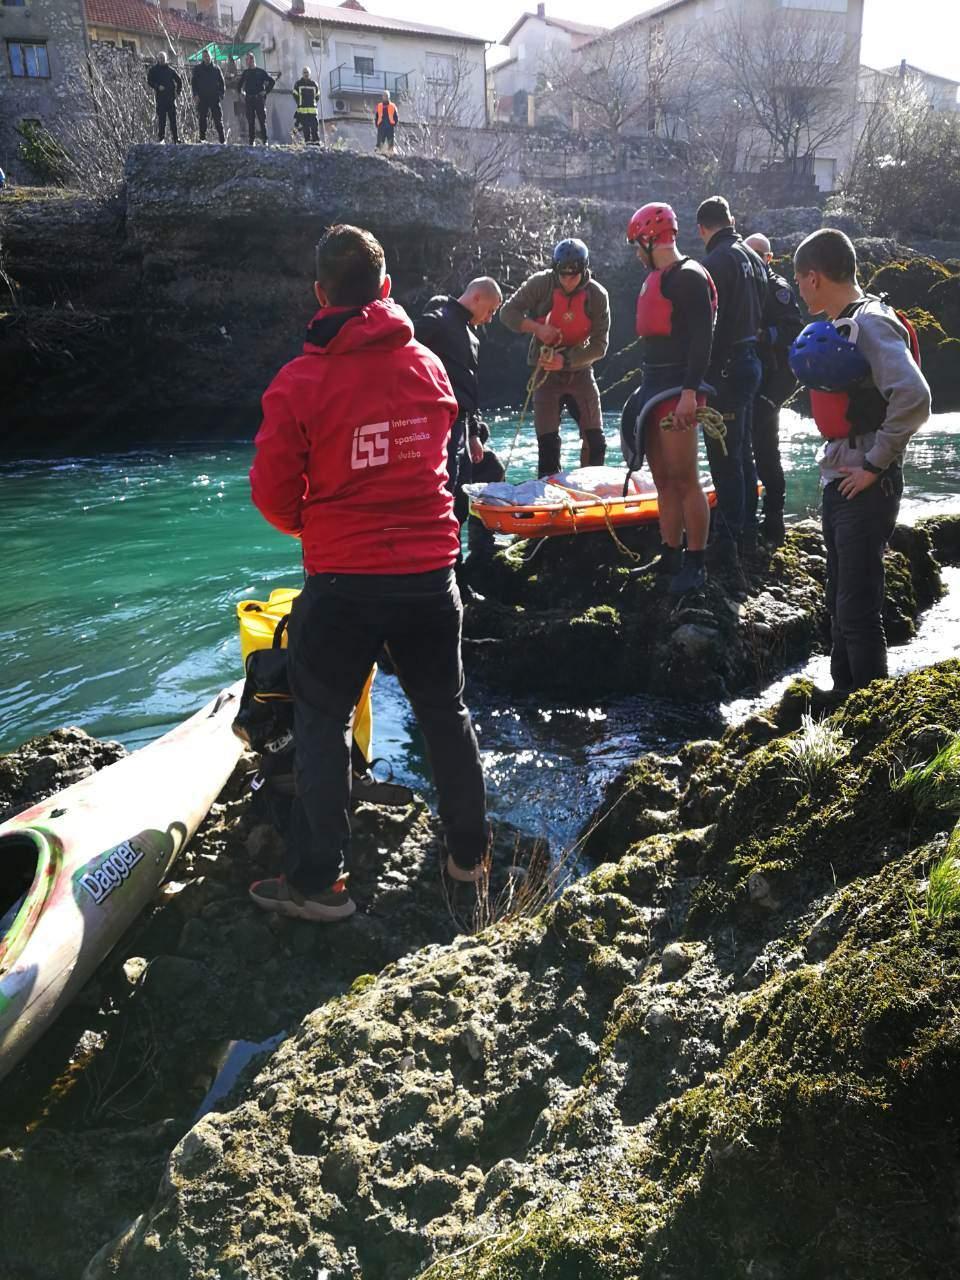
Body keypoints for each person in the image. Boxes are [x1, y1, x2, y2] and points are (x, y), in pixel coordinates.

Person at [248, 224, 489, 921]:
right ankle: (468, 860)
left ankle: (319, 881)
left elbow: (271, 494)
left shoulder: (301, 381)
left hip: (343, 584)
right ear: (385, 290)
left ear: (320, 294)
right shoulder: (428, 368)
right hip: (431, 574)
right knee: (446, 712)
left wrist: (317, 527)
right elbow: (444, 467)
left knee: (321, 720)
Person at [791, 228, 930, 696]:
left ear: (813, 277)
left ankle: (869, 712)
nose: (796, 286)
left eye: (798, 278)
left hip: (866, 483)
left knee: (857, 607)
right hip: (840, 475)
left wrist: (873, 465)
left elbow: (915, 396)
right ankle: (842, 696)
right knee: (838, 599)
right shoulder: (844, 320)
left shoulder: (870, 323)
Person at [620, 202, 717, 594]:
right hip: (653, 386)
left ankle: (696, 562)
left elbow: (702, 341)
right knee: (662, 479)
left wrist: (690, 394)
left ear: (649, 238)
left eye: (635, 244)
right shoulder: (657, 277)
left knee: (685, 478)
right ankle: (670, 554)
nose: (634, 252)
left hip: (680, 388)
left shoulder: (690, 277)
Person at [499, 238, 610, 478]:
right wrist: (536, 329)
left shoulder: (598, 296)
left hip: (580, 371)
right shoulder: (540, 284)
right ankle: (549, 496)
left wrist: (567, 361)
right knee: (548, 445)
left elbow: (600, 346)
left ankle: (591, 490)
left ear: (585, 270)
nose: (568, 280)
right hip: (545, 373)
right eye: (563, 275)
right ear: (555, 269)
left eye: (574, 275)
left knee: (596, 442)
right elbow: (507, 313)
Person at [696, 196, 767, 568]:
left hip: (726, 368)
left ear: (702, 229)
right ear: (731, 220)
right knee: (743, 453)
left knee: (724, 458)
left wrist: (702, 379)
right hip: (751, 361)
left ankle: (727, 540)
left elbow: (711, 328)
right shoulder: (755, 259)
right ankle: (748, 535)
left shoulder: (714, 263)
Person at [414, 278, 502, 497]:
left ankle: (462, 531)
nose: (490, 319)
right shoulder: (437, 320)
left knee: (461, 490)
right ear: (477, 297)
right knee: (445, 486)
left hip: (461, 425)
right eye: (490, 311)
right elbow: (404, 351)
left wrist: (474, 435)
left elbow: (469, 389)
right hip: (436, 421)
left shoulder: (472, 338)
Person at [744, 232, 804, 546]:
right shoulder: (741, 286)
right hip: (748, 379)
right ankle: (746, 515)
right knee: (743, 450)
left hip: (774, 379)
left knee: (766, 449)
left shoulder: (778, 289)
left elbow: (794, 329)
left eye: (759, 255)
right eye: (748, 253)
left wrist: (763, 334)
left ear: (769, 258)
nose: (753, 259)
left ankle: (774, 518)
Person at [236, 53, 275, 146]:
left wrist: (266, 91)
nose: (246, 62)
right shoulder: (246, 73)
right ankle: (251, 141)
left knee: (262, 120)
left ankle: (265, 140)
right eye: (246, 60)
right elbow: (238, 85)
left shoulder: (261, 72)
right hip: (249, 99)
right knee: (251, 120)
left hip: (259, 99)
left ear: (252, 60)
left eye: (247, 60)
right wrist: (241, 93)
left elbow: (272, 81)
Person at [191, 48, 225, 144]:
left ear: (211, 57)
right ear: (203, 58)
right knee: (202, 119)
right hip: (202, 98)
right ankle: (202, 139)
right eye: (205, 56)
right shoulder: (197, 69)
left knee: (218, 119)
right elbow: (193, 84)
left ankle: (222, 140)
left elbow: (222, 83)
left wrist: (221, 94)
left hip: (214, 98)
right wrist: (195, 94)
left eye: (208, 56)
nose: (206, 58)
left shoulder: (216, 69)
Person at [147, 51, 181, 145]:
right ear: (158, 59)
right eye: (160, 58)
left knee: (173, 121)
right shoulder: (154, 70)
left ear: (166, 59)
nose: (161, 59)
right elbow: (149, 81)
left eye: (163, 58)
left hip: (171, 99)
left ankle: (176, 139)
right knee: (162, 120)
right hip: (160, 99)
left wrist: (177, 93)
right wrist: (157, 86)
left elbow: (179, 81)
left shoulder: (171, 70)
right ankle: (161, 139)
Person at [293, 67, 320, 144]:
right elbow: (295, 94)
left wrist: (313, 103)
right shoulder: (298, 84)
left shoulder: (314, 84)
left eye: (307, 72)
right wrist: (300, 103)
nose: (306, 74)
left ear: (310, 73)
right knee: (306, 128)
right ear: (302, 74)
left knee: (315, 127)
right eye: (304, 72)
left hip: (313, 110)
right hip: (303, 110)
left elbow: (318, 95)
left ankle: (316, 141)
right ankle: (307, 142)